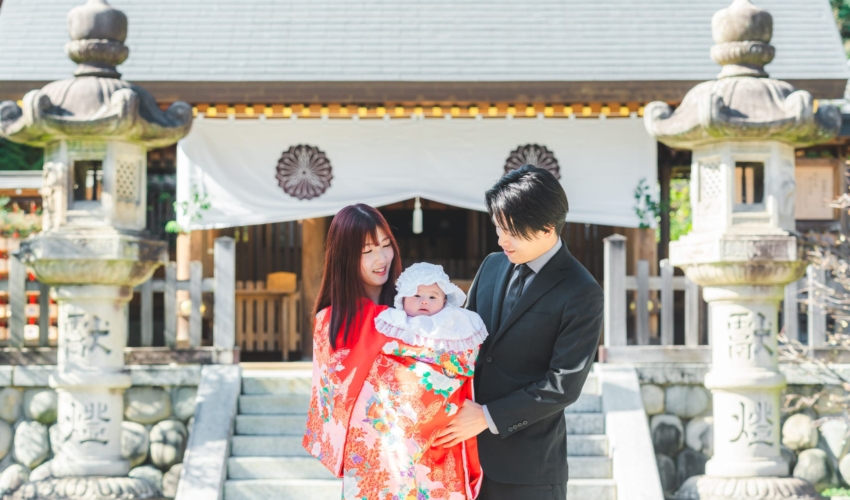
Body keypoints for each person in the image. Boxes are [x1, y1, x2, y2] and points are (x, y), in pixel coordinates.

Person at [433, 165, 604, 500]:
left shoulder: (582, 290)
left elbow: (563, 384)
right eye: (498, 227)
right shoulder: (492, 265)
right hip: (463, 455)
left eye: (510, 231)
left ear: (545, 228)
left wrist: (487, 416)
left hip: (529, 470)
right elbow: (461, 341)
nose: (501, 239)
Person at [303, 205, 482, 500]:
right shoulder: (331, 322)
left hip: (434, 458)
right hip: (376, 464)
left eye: (386, 245)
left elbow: (454, 368)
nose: (381, 258)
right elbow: (338, 403)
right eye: (367, 250)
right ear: (345, 256)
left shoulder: (415, 308)